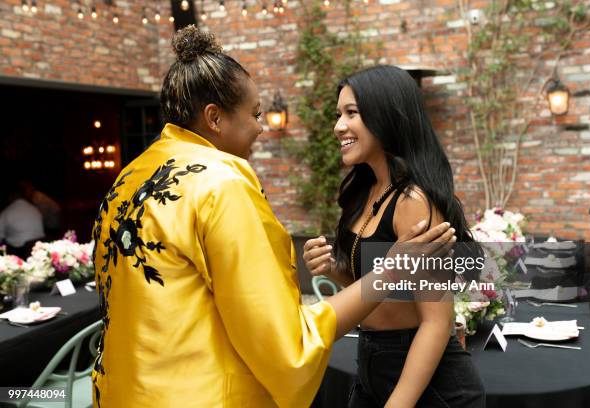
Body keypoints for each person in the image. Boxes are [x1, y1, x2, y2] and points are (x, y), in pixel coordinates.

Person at [91, 26, 454, 408]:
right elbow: (285, 343)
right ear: (214, 118)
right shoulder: (220, 183)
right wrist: (386, 272)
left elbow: (435, 314)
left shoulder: (129, 177)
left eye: (351, 113)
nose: (261, 128)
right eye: (255, 114)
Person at [303, 65, 485, 407]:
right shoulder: (366, 192)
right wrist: (332, 268)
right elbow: (381, 288)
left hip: (427, 383)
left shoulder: (413, 202)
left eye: (351, 113)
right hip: (372, 364)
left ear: (386, 116)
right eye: (338, 114)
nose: (338, 125)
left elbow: (436, 322)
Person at [0, 183, 45, 259]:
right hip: (39, 249)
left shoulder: (6, 212)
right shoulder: (35, 208)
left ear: (11, 197)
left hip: (20, 253)